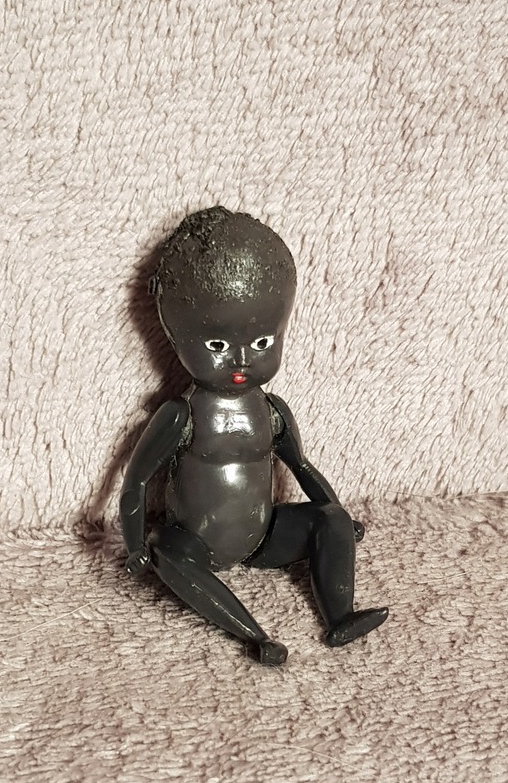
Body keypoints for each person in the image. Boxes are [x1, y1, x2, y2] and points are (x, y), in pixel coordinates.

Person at [120, 206, 387, 664]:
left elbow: (301, 466)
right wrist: (133, 545)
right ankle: (256, 636)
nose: (242, 360)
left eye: (262, 343)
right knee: (168, 552)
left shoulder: (271, 412)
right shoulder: (182, 415)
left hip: (262, 538)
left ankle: (340, 617)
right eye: (218, 346)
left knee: (331, 518)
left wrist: (338, 516)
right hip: (197, 543)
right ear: (176, 338)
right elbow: (137, 480)